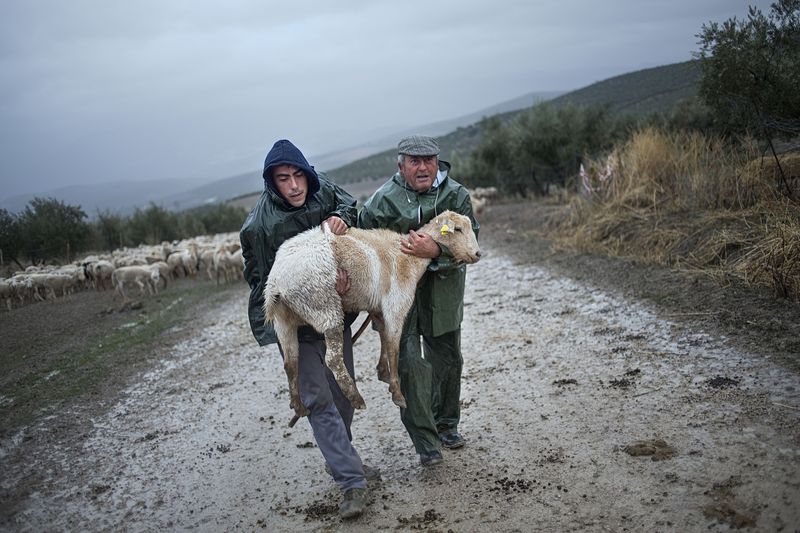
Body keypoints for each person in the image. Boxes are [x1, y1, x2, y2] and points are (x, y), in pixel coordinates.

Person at [240, 139, 377, 519]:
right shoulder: (259, 226)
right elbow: (260, 277)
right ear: (273, 183)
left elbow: (351, 207)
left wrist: (342, 220)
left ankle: (342, 458)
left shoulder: (323, 189)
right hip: (296, 325)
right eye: (284, 179)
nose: (295, 185)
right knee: (318, 400)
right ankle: (352, 482)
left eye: (299, 175)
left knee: (343, 395)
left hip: (334, 315)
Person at [357, 134, 479, 467]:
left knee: (448, 358)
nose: (423, 167)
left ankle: (446, 425)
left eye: (428, 161)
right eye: (414, 161)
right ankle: (426, 441)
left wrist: (436, 250)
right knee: (409, 364)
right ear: (401, 165)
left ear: (437, 163)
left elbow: (471, 243)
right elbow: (364, 245)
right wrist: (372, 303)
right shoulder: (383, 201)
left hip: (443, 291)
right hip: (397, 299)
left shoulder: (456, 195)